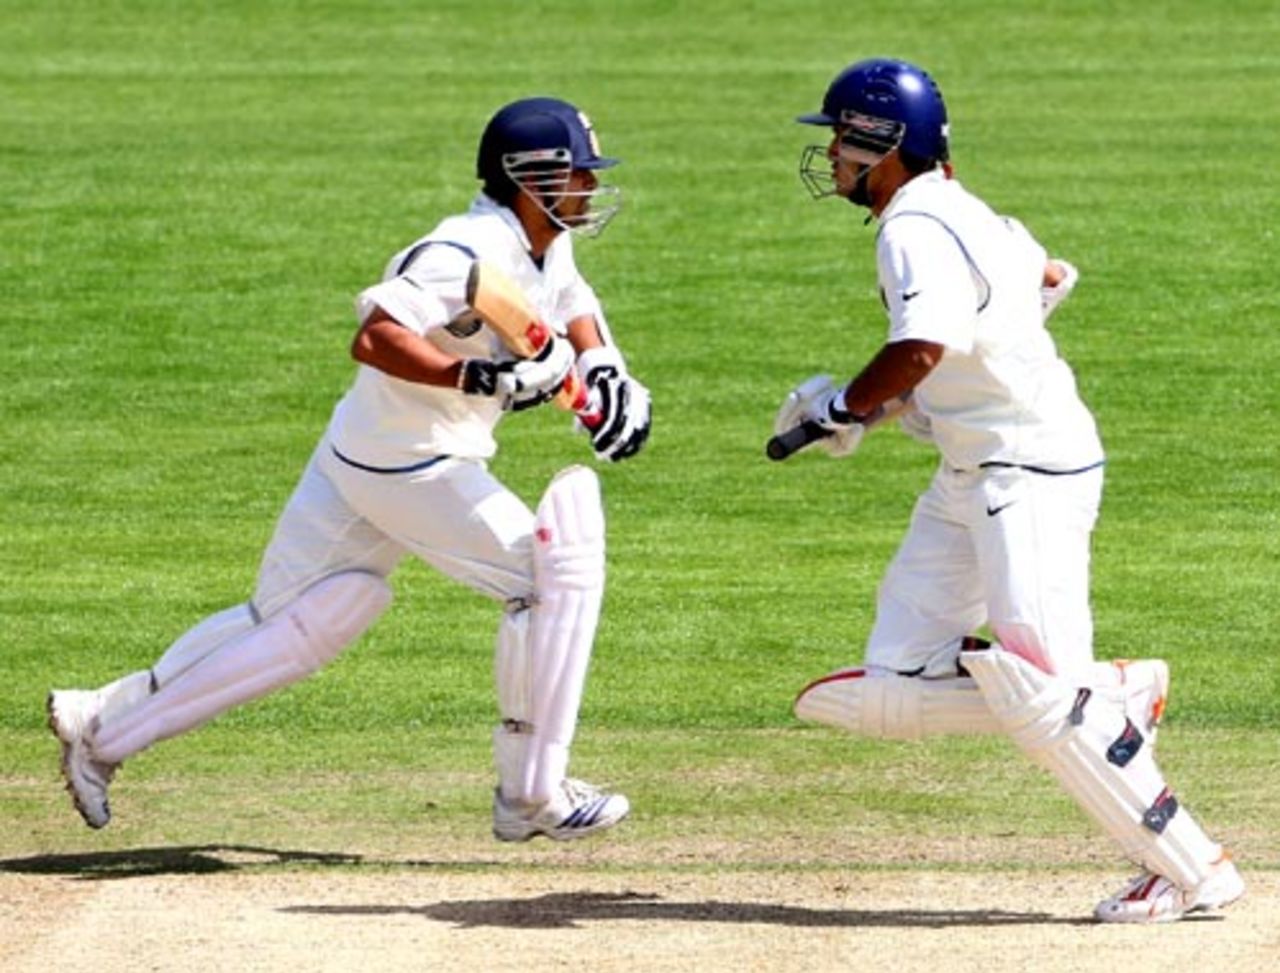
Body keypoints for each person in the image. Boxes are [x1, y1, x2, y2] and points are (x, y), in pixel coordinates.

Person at [47, 96, 651, 843]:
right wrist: (477, 381)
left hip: (357, 453)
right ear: (532, 178)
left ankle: (98, 726)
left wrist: (605, 368)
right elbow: (375, 338)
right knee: (549, 575)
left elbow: (572, 301)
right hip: (415, 465)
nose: (591, 188)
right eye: (580, 175)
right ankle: (532, 794)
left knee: (288, 624)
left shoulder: (540, 244)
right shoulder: (459, 254)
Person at [775, 58, 1243, 923]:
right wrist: (872, 417)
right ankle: (1104, 696)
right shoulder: (966, 210)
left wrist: (845, 405)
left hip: (1025, 476)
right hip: (971, 474)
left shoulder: (913, 227)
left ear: (882, 143)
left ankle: (1191, 869)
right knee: (893, 682)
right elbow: (1047, 277)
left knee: (1042, 689)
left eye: (842, 137)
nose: (833, 155)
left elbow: (922, 343)